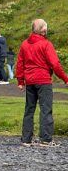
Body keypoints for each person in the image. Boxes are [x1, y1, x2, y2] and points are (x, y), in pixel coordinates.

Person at [17, 19, 68, 147]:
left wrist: (20, 80)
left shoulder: (24, 44)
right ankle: (46, 139)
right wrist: (65, 78)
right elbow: (55, 64)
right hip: (43, 80)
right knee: (45, 109)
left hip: (29, 81)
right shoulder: (46, 44)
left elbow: (20, 63)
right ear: (43, 30)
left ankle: (26, 139)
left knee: (29, 109)